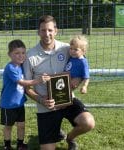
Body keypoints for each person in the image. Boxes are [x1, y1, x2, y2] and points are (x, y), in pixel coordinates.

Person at [24, 15, 95, 150]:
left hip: (67, 100)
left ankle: (70, 138)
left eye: (50, 30)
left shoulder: (67, 48)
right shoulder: (30, 56)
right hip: (47, 106)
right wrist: (41, 99)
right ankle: (55, 132)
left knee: (88, 122)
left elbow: (82, 60)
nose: (47, 34)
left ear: (56, 31)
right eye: (43, 30)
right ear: (38, 32)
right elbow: (27, 87)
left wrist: (78, 79)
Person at [0, 39, 49, 150]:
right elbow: (22, 83)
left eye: (23, 53)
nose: (20, 56)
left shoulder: (22, 66)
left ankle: (20, 144)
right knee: (8, 126)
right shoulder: (10, 68)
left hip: (19, 103)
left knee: (21, 125)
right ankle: (7, 145)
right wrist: (38, 80)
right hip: (8, 104)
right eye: (16, 53)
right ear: (9, 54)